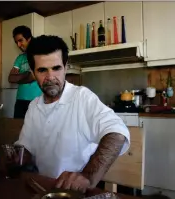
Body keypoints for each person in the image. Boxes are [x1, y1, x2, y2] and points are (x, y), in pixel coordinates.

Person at [15, 35, 131, 192]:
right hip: (40, 188)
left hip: (72, 192)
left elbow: (117, 133)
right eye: (42, 70)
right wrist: (17, 160)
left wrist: (87, 177)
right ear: (33, 73)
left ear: (66, 67)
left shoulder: (82, 97)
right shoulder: (34, 106)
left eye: (56, 68)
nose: (50, 77)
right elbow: (25, 148)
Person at [8, 25, 42, 119]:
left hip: (36, 101)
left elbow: (33, 77)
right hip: (20, 101)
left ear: (29, 39)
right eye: (16, 42)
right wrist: (27, 74)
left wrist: (19, 78)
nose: (18, 45)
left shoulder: (39, 55)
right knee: (17, 129)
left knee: (35, 131)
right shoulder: (20, 58)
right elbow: (11, 78)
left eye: (20, 40)